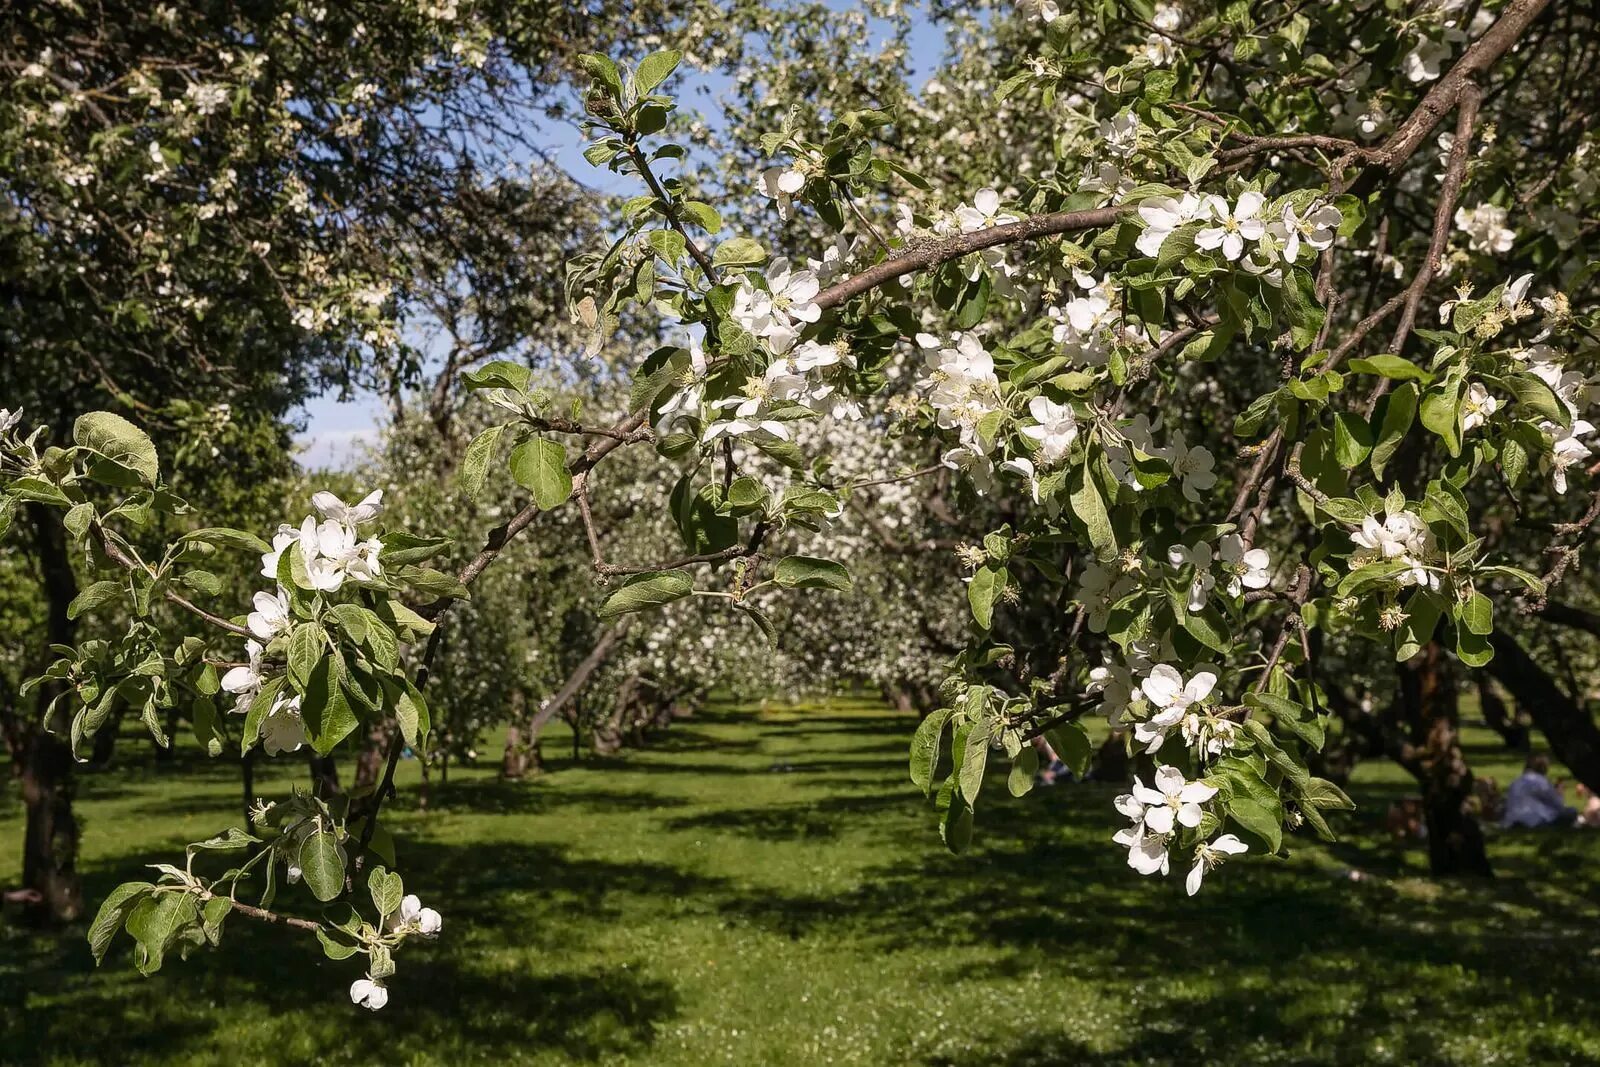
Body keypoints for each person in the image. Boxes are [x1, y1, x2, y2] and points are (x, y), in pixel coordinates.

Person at [1500, 755, 1578, 829]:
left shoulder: (1515, 781)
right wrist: (1560, 793)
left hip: (1512, 820)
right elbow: (1558, 805)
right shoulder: (1541, 781)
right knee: (1572, 811)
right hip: (1536, 821)